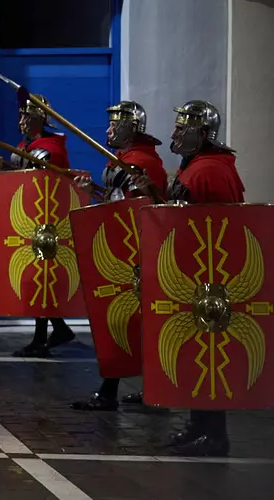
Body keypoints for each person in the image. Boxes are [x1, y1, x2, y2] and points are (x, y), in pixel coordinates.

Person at [156, 100, 245, 456]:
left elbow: (218, 229)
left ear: (202, 133)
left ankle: (214, 433)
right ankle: (198, 426)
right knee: (195, 354)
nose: (175, 133)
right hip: (191, 273)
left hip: (207, 276)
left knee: (210, 353)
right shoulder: (194, 167)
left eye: (182, 128)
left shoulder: (210, 171)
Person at [72, 101, 167, 411]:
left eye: (116, 125)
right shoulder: (126, 160)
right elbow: (119, 203)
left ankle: (114, 391)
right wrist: (94, 191)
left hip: (138, 253)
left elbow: (139, 212)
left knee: (129, 319)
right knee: (129, 320)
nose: (109, 129)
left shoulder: (141, 163)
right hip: (124, 248)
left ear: (131, 128)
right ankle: (148, 388)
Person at [0, 96, 75, 357]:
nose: (21, 121)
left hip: (49, 224)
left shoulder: (50, 148)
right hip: (32, 222)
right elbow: (24, 179)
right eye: (21, 116)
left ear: (41, 119)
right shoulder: (28, 145)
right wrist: (2, 165)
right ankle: (56, 331)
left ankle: (43, 338)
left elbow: (44, 182)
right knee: (39, 279)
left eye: (27, 116)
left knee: (43, 279)